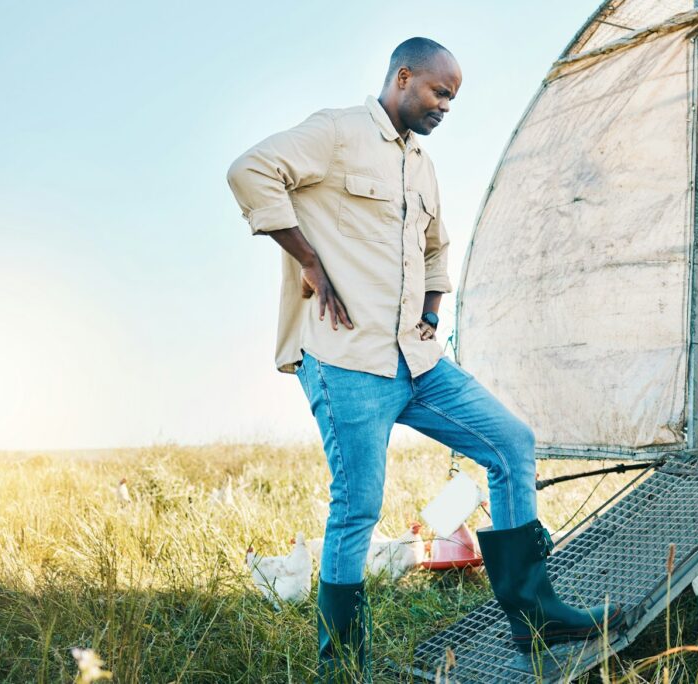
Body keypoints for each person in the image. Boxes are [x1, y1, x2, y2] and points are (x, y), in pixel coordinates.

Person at [226, 37, 618, 681]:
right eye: (440, 92)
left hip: (422, 361)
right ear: (403, 78)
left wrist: (433, 312)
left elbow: (437, 247)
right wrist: (309, 259)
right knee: (357, 507)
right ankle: (342, 663)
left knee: (511, 443)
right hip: (346, 358)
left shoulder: (423, 164)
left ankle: (535, 617)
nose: (445, 107)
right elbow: (250, 171)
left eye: (453, 99)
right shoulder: (337, 132)